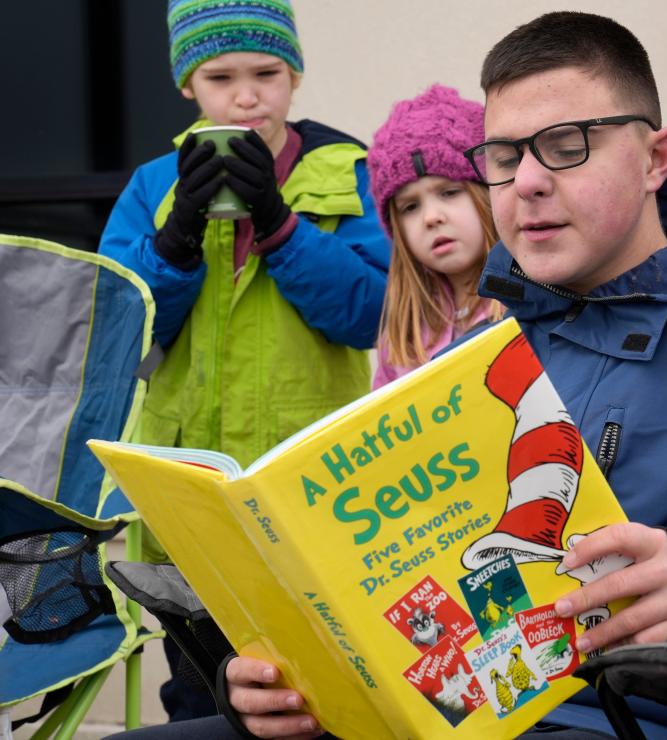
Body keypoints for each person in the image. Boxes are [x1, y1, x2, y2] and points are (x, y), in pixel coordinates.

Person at [110, 11, 667, 740]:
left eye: (567, 146)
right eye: (505, 155)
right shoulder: (473, 361)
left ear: (658, 155)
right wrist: (278, 677)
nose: (528, 184)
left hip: (622, 717)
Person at [98, 0, 389, 723]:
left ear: (294, 76)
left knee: (323, 697)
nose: (247, 94)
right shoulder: (151, 186)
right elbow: (114, 330)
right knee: (200, 695)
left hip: (316, 492)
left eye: (266, 72)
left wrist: (281, 224)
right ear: (187, 85)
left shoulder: (349, 172)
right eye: (220, 76)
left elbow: (371, 315)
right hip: (189, 499)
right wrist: (174, 240)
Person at [366, 84, 503, 389]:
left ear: (491, 194)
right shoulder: (405, 333)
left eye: (450, 192)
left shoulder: (530, 304)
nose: (431, 217)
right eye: (410, 207)